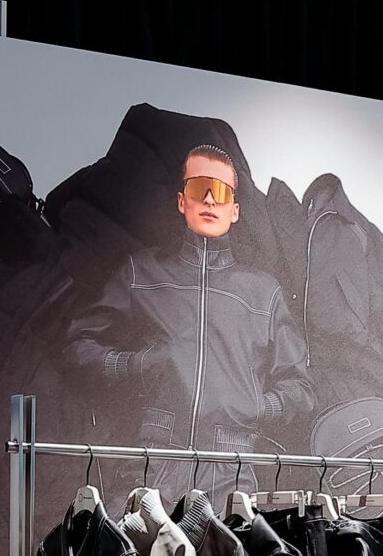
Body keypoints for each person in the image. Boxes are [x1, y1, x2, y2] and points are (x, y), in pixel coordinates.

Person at [67, 144, 312, 492]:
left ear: (235, 211)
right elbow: (78, 348)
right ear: (182, 201)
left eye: (221, 192)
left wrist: (257, 405)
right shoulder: (143, 273)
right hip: (151, 465)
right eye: (199, 188)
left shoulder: (263, 293)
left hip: (232, 471)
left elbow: (301, 389)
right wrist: (137, 365)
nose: (210, 200)